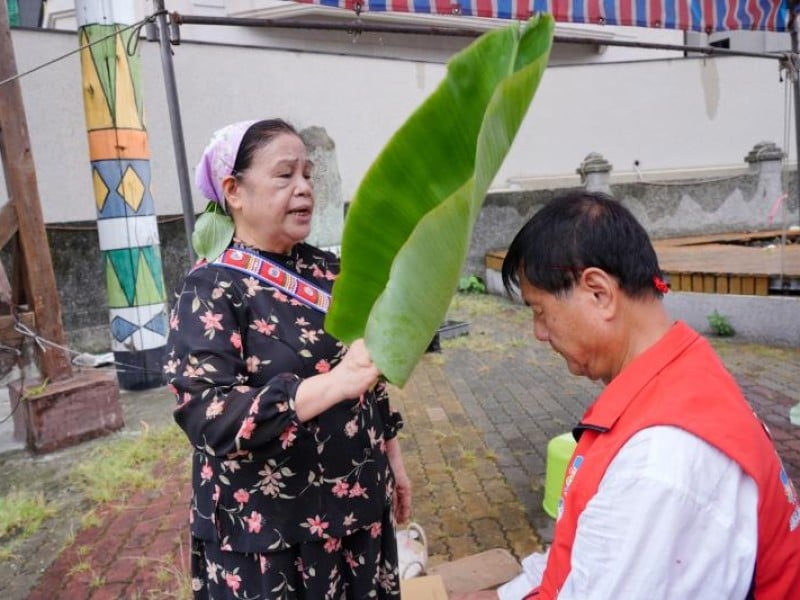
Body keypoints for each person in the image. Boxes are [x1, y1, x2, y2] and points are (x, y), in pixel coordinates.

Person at [454, 192, 800, 599]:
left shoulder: (659, 461)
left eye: (540, 310)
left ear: (599, 293)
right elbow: (581, 558)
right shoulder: (680, 374)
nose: (539, 333)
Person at [164, 119, 411, 599]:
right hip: (271, 536)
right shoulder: (211, 288)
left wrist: (392, 459)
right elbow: (207, 415)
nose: (303, 188)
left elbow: (368, 374)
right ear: (234, 190)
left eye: (308, 175)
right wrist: (333, 385)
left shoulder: (330, 270)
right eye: (285, 175)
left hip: (358, 512)